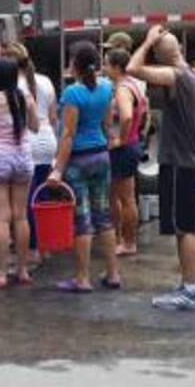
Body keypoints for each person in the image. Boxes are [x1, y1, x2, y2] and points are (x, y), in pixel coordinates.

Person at [128, 25, 195, 312]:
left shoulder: (174, 76)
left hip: (178, 162)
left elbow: (132, 68)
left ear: (161, 57)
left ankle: (188, 290)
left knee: (184, 227)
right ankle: (193, 284)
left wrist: (148, 41)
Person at [47, 41, 119, 293]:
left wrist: (57, 168)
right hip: (101, 155)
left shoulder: (72, 94)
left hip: (79, 159)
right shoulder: (107, 88)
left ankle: (82, 278)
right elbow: (109, 125)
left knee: (83, 220)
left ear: (74, 65)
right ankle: (113, 273)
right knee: (104, 216)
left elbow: (68, 134)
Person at [0, 57, 39, 288]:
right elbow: (35, 127)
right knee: (21, 216)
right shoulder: (26, 97)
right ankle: (22, 270)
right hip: (23, 156)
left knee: (1, 218)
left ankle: (1, 273)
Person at [3, 43, 57, 259]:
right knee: (42, 196)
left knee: (25, 202)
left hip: (28, 141)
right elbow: (53, 116)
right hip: (47, 140)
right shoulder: (45, 81)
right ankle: (45, 245)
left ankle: (33, 248)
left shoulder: (13, 85)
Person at [106, 47, 147, 257]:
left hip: (124, 147)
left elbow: (127, 116)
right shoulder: (133, 85)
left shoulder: (122, 89)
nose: (104, 68)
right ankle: (121, 239)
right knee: (120, 197)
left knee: (125, 198)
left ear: (116, 67)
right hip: (131, 144)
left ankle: (128, 242)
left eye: (107, 64)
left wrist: (121, 138)